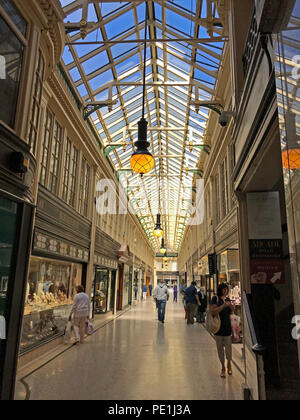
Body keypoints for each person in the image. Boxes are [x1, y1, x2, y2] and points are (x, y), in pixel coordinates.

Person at [210, 283, 234, 378]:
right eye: (223, 289)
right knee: (220, 349)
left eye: (226, 289)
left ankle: (229, 363)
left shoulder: (227, 299)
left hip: (227, 327)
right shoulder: (215, 299)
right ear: (220, 290)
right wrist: (223, 306)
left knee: (228, 348)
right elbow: (213, 311)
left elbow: (231, 312)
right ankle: (223, 367)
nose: (225, 291)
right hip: (218, 328)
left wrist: (232, 307)